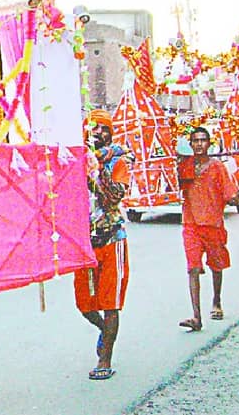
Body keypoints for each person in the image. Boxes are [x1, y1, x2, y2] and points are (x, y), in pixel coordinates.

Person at [73, 109, 133, 381]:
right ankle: (104, 331)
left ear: (111, 133)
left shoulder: (119, 160)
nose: (98, 133)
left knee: (111, 304)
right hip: (84, 243)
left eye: (103, 129)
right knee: (85, 305)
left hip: (112, 239)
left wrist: (95, 169)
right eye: (93, 127)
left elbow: (113, 198)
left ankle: (104, 359)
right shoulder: (74, 160)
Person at [176, 126, 239, 332]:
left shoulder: (217, 167)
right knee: (193, 268)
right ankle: (196, 317)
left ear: (209, 143)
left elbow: (229, 195)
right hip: (191, 224)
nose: (199, 144)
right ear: (190, 144)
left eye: (203, 140)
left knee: (216, 266)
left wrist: (238, 197)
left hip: (213, 225)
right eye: (195, 141)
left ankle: (216, 300)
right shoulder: (184, 166)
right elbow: (173, 186)